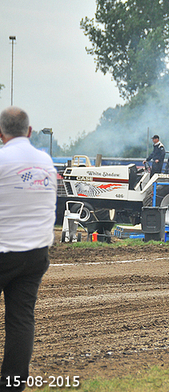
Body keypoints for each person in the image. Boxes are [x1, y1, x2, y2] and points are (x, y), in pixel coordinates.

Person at [0, 107, 56, 391]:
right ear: (30, 131)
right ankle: (11, 385)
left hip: (4, 249)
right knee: (21, 319)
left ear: (1, 134)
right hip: (36, 252)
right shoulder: (46, 162)